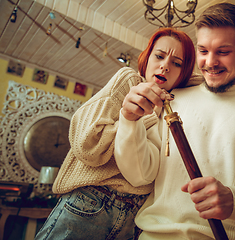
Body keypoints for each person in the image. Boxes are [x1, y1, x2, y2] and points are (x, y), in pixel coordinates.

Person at [114, 3, 235, 240]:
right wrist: (129, 121)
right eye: (203, 51)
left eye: (223, 52)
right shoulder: (173, 100)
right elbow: (140, 175)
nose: (210, 62)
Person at [34, 27, 197, 240]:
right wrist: (133, 117)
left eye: (177, 63)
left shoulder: (172, 106)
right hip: (90, 201)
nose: (165, 66)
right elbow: (87, 144)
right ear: (147, 59)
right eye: (159, 56)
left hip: (135, 217)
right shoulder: (129, 80)